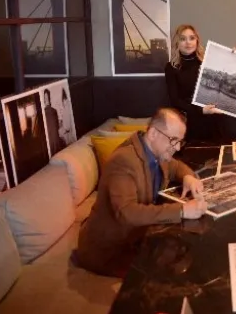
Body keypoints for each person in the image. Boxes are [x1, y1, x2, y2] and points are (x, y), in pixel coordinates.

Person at [76, 108, 207, 277]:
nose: (177, 148)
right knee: (169, 274)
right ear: (153, 133)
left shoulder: (156, 151)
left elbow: (175, 166)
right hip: (109, 250)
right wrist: (181, 211)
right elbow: (127, 212)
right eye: (173, 140)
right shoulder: (123, 161)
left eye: (180, 141)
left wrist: (188, 177)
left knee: (188, 253)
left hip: (139, 236)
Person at [164, 24, 236, 144]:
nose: (188, 42)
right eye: (183, 39)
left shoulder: (207, 61)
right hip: (191, 121)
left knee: (220, 155)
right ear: (177, 43)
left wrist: (235, 58)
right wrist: (201, 110)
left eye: (192, 38)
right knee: (196, 158)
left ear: (197, 41)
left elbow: (226, 79)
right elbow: (175, 100)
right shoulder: (171, 68)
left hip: (216, 120)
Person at [42, 89, 63, 155]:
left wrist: (60, 122)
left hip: (56, 140)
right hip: (50, 142)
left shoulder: (54, 111)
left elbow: (57, 127)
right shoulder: (43, 113)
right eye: (45, 98)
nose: (47, 99)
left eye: (47, 97)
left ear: (49, 98)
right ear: (44, 100)